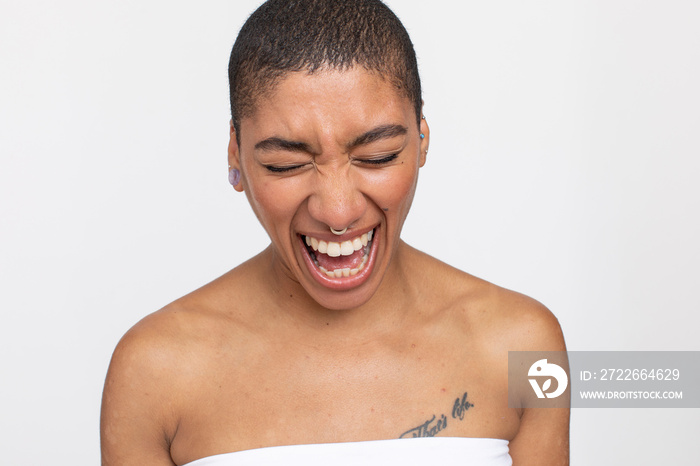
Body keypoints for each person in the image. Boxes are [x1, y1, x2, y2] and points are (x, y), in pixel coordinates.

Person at [100, 0, 569, 464]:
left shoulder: (523, 346)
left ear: (422, 136)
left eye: (378, 155)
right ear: (235, 153)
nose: (338, 211)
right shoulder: (154, 370)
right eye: (286, 164)